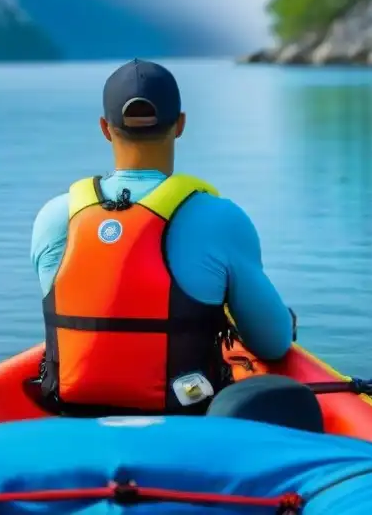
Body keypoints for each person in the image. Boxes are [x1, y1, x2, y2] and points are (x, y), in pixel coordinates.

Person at [30, 58, 294, 415]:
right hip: (183, 423)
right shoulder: (221, 219)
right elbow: (273, 344)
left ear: (105, 128)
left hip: (73, 418)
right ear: (181, 124)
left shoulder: (54, 217)